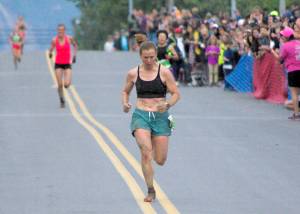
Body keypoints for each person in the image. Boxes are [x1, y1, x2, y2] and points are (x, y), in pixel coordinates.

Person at [122, 41, 180, 202]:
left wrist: (168, 104)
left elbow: (176, 93)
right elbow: (125, 91)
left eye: (152, 57)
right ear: (140, 56)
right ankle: (150, 190)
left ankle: (154, 143)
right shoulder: (133, 73)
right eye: (146, 57)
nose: (149, 60)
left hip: (161, 117)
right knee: (146, 152)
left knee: (160, 160)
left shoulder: (165, 72)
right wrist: (125, 103)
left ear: (156, 56)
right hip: (141, 115)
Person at [48, 24, 77, 108]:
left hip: (67, 64)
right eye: (59, 30)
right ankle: (61, 99)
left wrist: (74, 56)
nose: (60, 31)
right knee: (60, 84)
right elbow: (51, 48)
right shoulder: (54, 40)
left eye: (62, 30)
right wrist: (50, 53)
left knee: (66, 84)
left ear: (64, 31)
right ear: (57, 31)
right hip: (58, 64)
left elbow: (75, 46)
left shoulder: (69, 38)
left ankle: (65, 87)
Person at [279, 27, 300, 120]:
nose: (282, 37)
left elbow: (281, 58)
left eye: (283, 35)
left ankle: (296, 114)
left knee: (294, 93)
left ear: (287, 37)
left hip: (293, 71)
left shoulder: (286, 46)